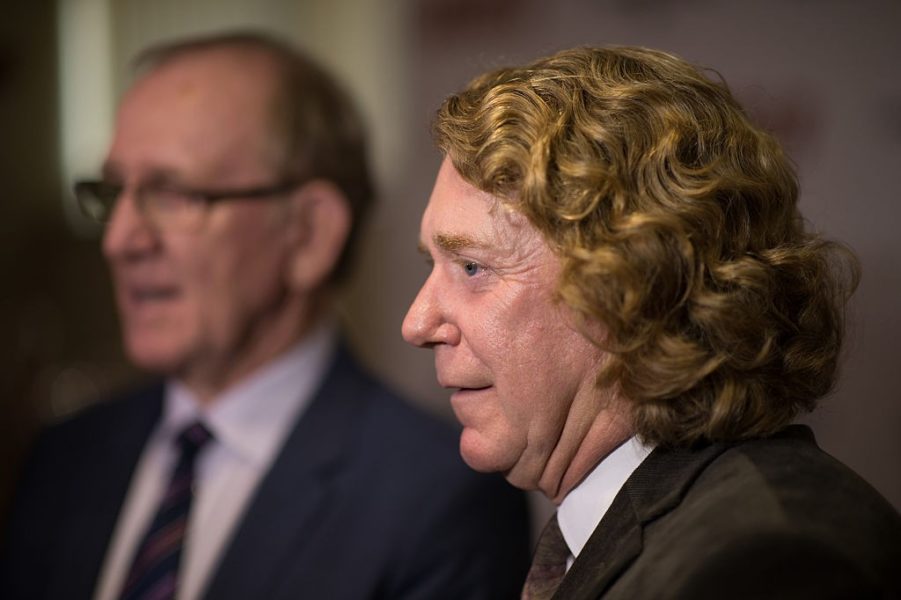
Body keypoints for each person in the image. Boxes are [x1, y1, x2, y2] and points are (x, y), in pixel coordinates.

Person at [0, 31, 531, 600]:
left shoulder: (438, 498)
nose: (121, 240)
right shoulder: (65, 456)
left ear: (308, 234)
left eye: (173, 195)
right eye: (113, 193)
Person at [403, 45, 901, 598]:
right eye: (433, 265)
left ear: (631, 286)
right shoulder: (648, 527)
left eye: (472, 267)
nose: (417, 323)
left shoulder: (765, 563)